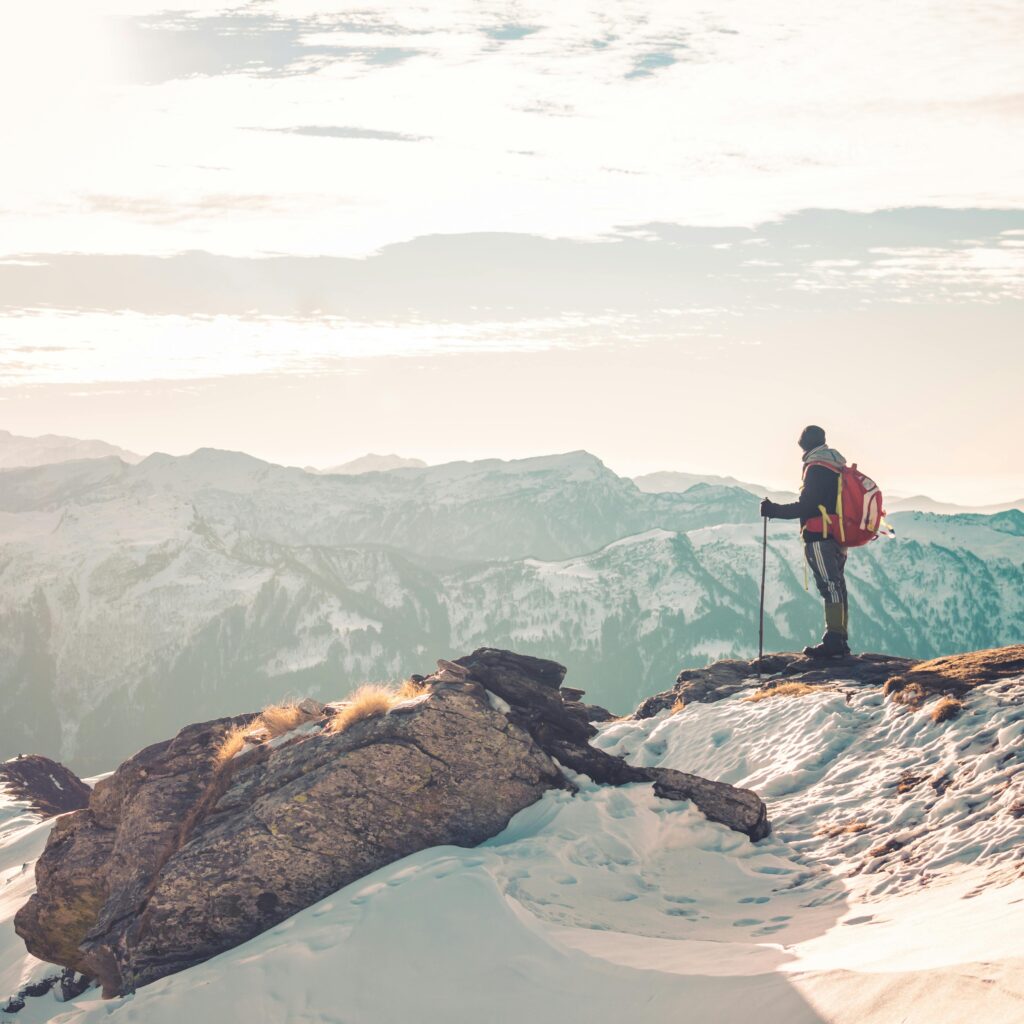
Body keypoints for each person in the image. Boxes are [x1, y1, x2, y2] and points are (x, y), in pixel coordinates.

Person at [760, 425, 851, 658]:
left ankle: (834, 640)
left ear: (804, 444)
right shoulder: (834, 465)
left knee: (830, 585)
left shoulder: (816, 468)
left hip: (820, 536)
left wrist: (774, 510)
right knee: (837, 584)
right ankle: (839, 639)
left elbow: (808, 506)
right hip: (838, 534)